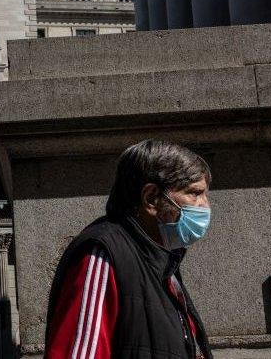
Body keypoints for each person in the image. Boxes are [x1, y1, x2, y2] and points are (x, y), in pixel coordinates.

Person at [44, 140, 213, 358]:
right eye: (194, 193)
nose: (205, 205)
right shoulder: (103, 253)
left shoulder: (162, 263)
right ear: (151, 198)